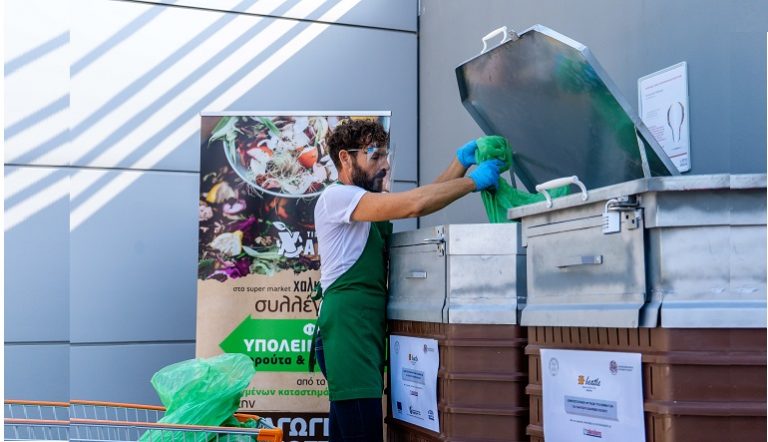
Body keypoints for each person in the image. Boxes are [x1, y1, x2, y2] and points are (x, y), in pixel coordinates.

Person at [311, 119, 501, 441]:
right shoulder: (337, 198)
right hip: (346, 331)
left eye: (386, 156)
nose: (384, 165)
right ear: (345, 158)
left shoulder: (364, 199)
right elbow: (414, 203)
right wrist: (473, 183)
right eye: (375, 156)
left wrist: (460, 162)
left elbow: (421, 199)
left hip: (362, 329)